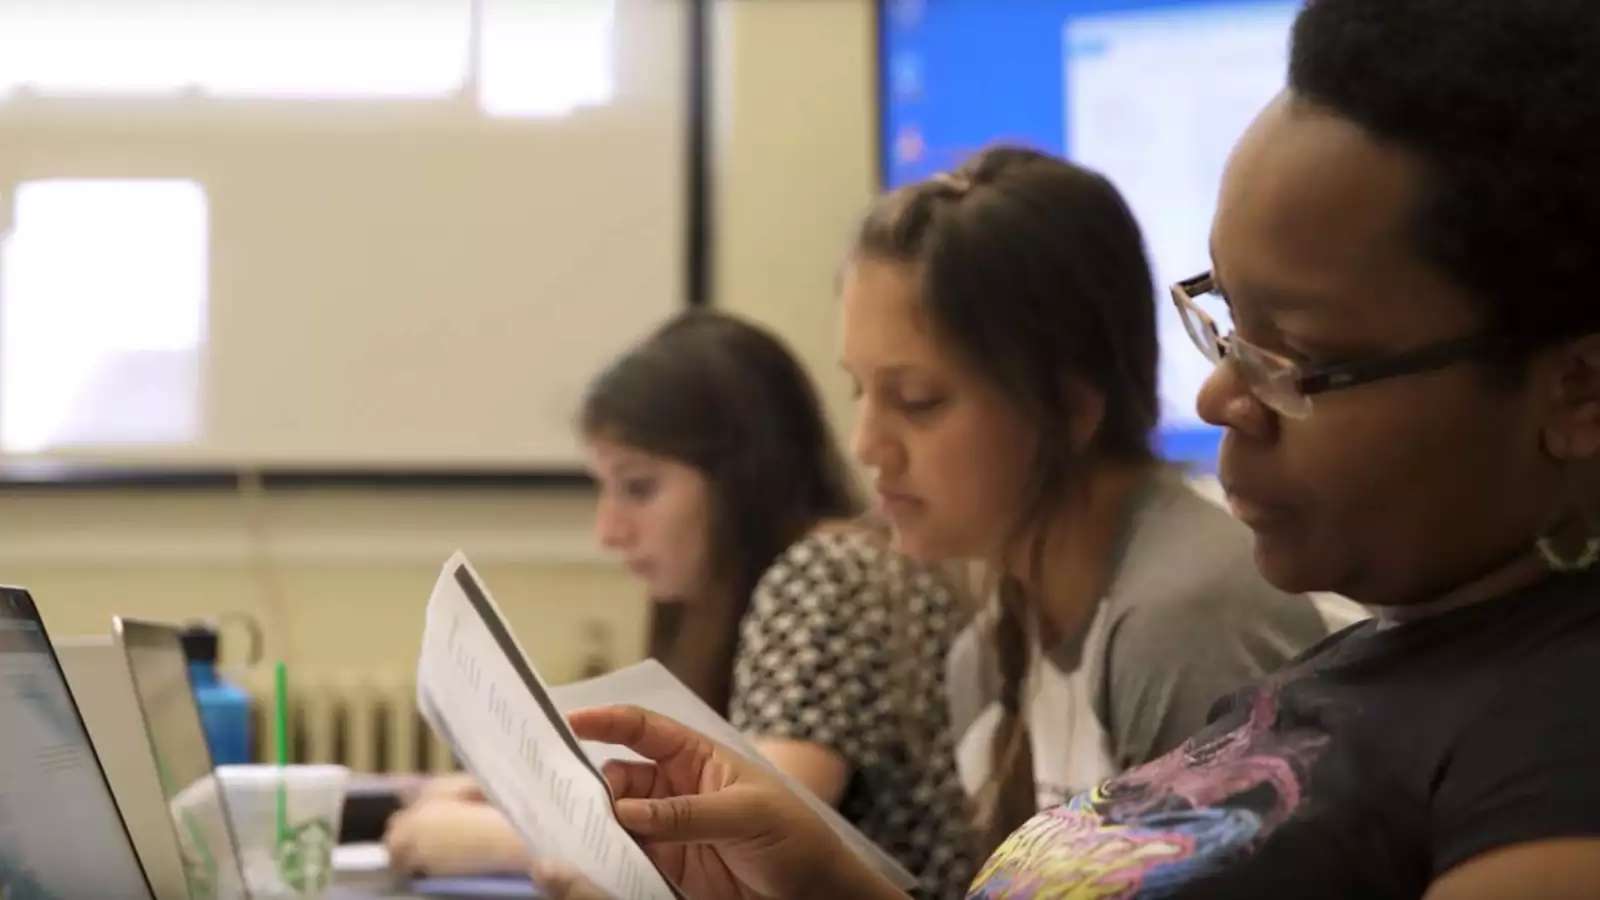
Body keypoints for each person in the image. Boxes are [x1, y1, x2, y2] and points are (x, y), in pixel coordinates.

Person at [551, 0, 1600, 897]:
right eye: (1224, 319)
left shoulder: (1547, 748)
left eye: (1301, 357)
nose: (1222, 390)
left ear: (1576, 391)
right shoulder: (1380, 653)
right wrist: (819, 879)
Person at [386, 310, 981, 898]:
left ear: (739, 479)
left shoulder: (831, 572)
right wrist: (499, 789)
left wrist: (494, 836)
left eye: (639, 487)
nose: (609, 531)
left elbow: (744, 829)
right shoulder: (789, 579)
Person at [845, 145, 1328, 852]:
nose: (865, 445)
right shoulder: (986, 658)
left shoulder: (1181, 625)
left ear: (1071, 408)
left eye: (917, 401)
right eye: (859, 390)